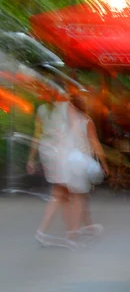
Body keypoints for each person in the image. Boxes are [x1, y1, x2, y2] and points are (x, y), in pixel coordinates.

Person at [27, 88, 75, 249]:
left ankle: (70, 233)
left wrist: (31, 159)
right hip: (59, 155)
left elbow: (36, 136)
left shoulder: (41, 110)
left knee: (64, 194)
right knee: (58, 194)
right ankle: (42, 232)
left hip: (47, 154)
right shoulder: (64, 108)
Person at [64, 95, 109, 242]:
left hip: (69, 161)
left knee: (78, 195)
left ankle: (87, 225)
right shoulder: (86, 121)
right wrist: (104, 163)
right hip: (82, 162)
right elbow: (95, 143)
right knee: (79, 196)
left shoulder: (68, 122)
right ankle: (73, 232)